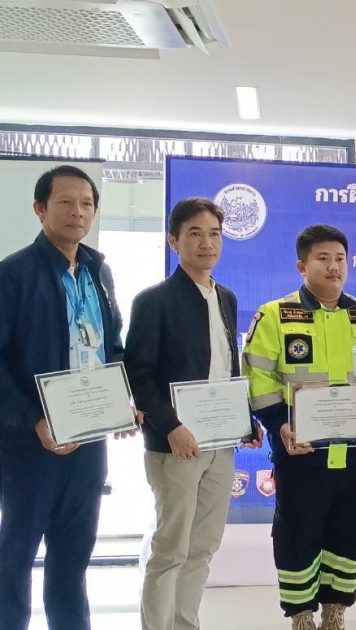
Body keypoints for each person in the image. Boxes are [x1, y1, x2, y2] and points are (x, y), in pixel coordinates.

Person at [0, 165, 134, 629]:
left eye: (86, 203)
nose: (78, 212)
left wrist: (123, 400)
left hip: (88, 440)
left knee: (73, 556)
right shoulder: (12, 274)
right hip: (29, 443)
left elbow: (111, 346)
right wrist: (32, 419)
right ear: (40, 210)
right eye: (65, 202)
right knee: (15, 557)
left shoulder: (99, 271)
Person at [242, 224, 356, 630]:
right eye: (323, 259)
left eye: (340, 258)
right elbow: (258, 377)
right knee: (297, 531)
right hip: (300, 450)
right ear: (301, 265)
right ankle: (301, 614)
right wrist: (279, 425)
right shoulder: (275, 315)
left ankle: (336, 608)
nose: (333, 267)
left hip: (355, 452)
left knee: (351, 528)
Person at [125, 197, 263, 630]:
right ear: (174, 241)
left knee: (203, 546)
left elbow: (227, 368)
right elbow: (138, 375)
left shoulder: (226, 297)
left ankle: (185, 623)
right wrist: (172, 426)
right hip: (175, 444)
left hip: (221, 443)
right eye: (195, 234)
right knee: (170, 549)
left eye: (214, 234)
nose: (207, 243)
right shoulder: (154, 301)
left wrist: (246, 420)